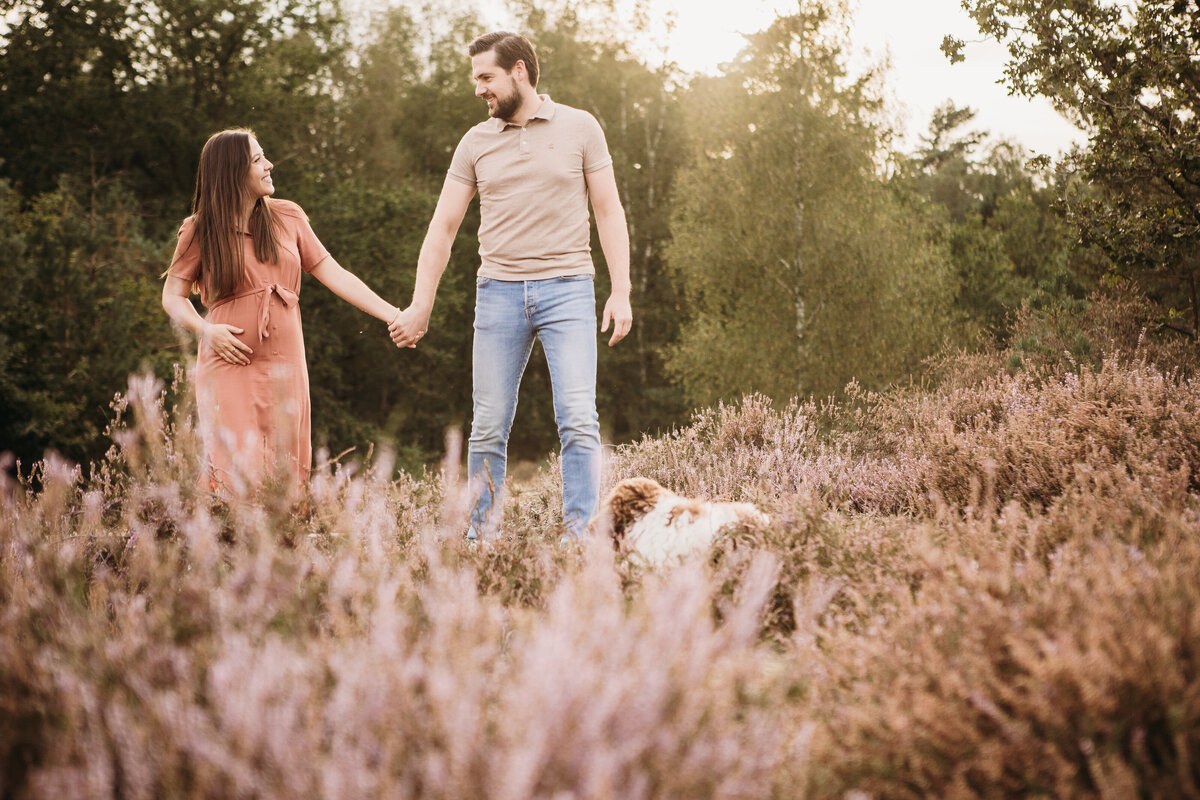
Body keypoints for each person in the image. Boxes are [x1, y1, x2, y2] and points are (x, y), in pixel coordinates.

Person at [388, 31, 633, 540]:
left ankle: (579, 536)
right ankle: (481, 537)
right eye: (476, 79)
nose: (479, 89)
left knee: (578, 420)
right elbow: (444, 228)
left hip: (568, 289)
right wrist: (421, 304)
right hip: (498, 292)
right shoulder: (475, 142)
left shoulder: (581, 127)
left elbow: (609, 212)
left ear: (519, 71)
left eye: (486, 77)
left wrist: (621, 289)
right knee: (488, 425)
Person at [162, 128, 400, 494]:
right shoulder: (198, 230)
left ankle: (282, 550)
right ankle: (226, 547)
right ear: (232, 172)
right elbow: (173, 297)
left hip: (288, 365)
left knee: (285, 471)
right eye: (257, 159)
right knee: (238, 470)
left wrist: (393, 315)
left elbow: (335, 275)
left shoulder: (288, 217)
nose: (269, 164)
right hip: (230, 363)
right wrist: (205, 330)